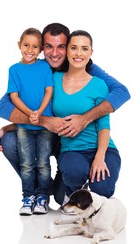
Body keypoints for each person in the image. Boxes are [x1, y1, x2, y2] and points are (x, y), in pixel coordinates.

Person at [0, 23, 130, 206]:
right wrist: (40, 122)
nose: (55, 53)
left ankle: (65, 184)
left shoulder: (87, 68)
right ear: (42, 48)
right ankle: (38, 190)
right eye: (49, 46)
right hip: (52, 138)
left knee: (67, 195)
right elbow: (3, 106)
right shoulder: (38, 69)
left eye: (62, 47)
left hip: (77, 140)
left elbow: (121, 92)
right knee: (9, 140)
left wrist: (84, 119)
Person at [52, 30, 121, 206]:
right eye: (74, 48)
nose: (78, 53)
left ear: (91, 53)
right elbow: (37, 109)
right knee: (74, 174)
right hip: (71, 150)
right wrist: (8, 127)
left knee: (103, 188)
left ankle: (90, 191)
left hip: (101, 148)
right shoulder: (53, 79)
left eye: (84, 49)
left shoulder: (99, 84)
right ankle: (71, 182)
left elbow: (104, 124)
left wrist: (100, 157)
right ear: (66, 50)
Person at [5, 28, 54, 215]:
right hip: (24, 126)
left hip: (44, 126)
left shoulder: (44, 67)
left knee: (43, 163)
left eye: (35, 46)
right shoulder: (14, 70)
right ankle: (28, 197)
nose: (30, 50)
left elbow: (49, 90)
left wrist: (40, 113)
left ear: (41, 49)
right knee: (26, 163)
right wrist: (30, 114)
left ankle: (42, 197)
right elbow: (14, 96)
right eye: (26, 45)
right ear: (19, 45)